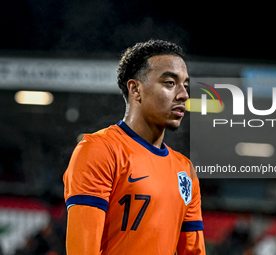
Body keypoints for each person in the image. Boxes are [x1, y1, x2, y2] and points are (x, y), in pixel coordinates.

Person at [63, 39, 206, 255]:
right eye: (170, 83)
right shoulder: (99, 150)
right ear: (135, 89)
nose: (184, 94)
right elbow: (82, 250)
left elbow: (194, 251)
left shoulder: (185, 170)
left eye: (185, 85)